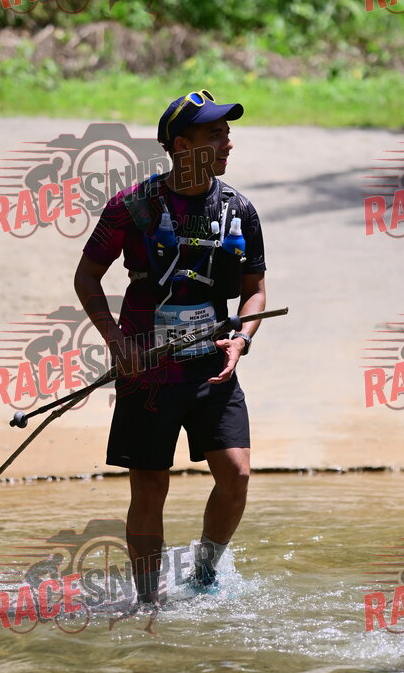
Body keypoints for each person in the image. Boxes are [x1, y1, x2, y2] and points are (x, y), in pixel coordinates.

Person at [74, 90, 266, 602]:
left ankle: (204, 575)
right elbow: (87, 277)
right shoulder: (130, 207)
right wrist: (117, 343)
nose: (228, 142)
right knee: (149, 488)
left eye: (227, 132)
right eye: (215, 134)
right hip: (148, 375)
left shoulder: (239, 209)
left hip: (212, 369)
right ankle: (147, 602)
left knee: (236, 474)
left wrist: (241, 340)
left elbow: (254, 291)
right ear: (182, 145)